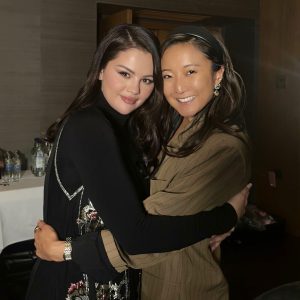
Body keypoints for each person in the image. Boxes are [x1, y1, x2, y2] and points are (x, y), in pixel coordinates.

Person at [28, 24, 250, 300]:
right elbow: (137, 235)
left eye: (147, 80)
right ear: (100, 70)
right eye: (124, 73)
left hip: (121, 282)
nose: (134, 89)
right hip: (75, 285)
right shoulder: (89, 127)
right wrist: (227, 214)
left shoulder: (135, 129)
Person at [95, 25, 252, 300]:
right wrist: (226, 216)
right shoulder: (175, 125)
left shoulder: (224, 146)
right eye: (168, 76)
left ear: (218, 74)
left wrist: (69, 251)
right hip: (153, 281)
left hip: (185, 287)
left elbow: (149, 226)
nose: (178, 87)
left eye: (190, 71)